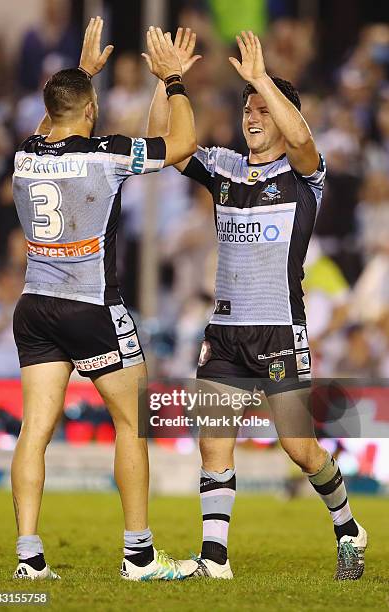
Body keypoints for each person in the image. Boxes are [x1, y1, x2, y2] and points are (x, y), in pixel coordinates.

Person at [147, 28, 367, 580]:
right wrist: (168, 81)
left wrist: (263, 81)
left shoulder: (302, 175)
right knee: (213, 447)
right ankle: (215, 560)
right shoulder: (222, 166)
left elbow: (303, 137)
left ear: (280, 112)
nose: (252, 115)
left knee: (299, 449)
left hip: (278, 333)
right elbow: (162, 142)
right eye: (246, 108)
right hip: (224, 332)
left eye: (262, 109)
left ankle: (347, 525)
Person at [11, 18, 198, 581]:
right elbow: (183, 144)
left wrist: (82, 75)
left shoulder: (26, 154)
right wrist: (173, 81)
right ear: (91, 112)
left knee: (34, 431)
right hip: (91, 304)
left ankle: (28, 558)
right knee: (132, 422)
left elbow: (54, 118)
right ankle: (138, 555)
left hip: (35, 305)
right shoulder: (106, 153)